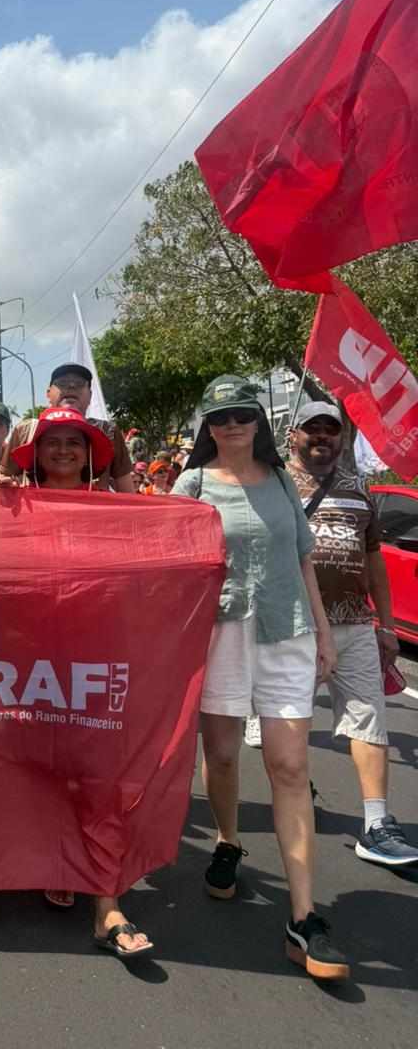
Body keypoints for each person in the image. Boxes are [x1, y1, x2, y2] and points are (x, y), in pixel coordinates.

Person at [172, 375, 349, 981]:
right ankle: (228, 841)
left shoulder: (280, 480)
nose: (233, 425)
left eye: (243, 414)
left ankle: (304, 916)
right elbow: (168, 562)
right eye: (220, 417)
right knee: (222, 755)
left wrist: (324, 634)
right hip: (219, 635)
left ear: (258, 422)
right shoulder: (192, 485)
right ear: (208, 426)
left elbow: (303, 558)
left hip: (287, 630)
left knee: (290, 767)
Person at [0, 408, 152, 957]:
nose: (63, 450)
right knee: (40, 764)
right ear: (35, 453)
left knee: (98, 770)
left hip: (96, 654)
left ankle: (107, 902)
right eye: (52, 441)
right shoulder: (11, 505)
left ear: (90, 455)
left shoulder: (114, 509)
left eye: (74, 443)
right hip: (27, 657)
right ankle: (56, 860)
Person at [286, 402, 418, 867]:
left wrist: (387, 625)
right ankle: (293, 789)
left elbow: (373, 556)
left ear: (341, 438)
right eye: (312, 428)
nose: (322, 435)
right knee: (288, 726)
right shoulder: (276, 485)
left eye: (331, 429)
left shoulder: (359, 489)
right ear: (293, 434)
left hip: (356, 624)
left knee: (369, 720)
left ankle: (377, 824)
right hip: (293, 629)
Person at [0, 364, 135, 492]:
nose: (71, 386)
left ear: (90, 396)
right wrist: (7, 491)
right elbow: (1, 483)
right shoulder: (25, 430)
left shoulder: (108, 431)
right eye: (62, 383)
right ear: (48, 394)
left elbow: (127, 494)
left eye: (80, 383)